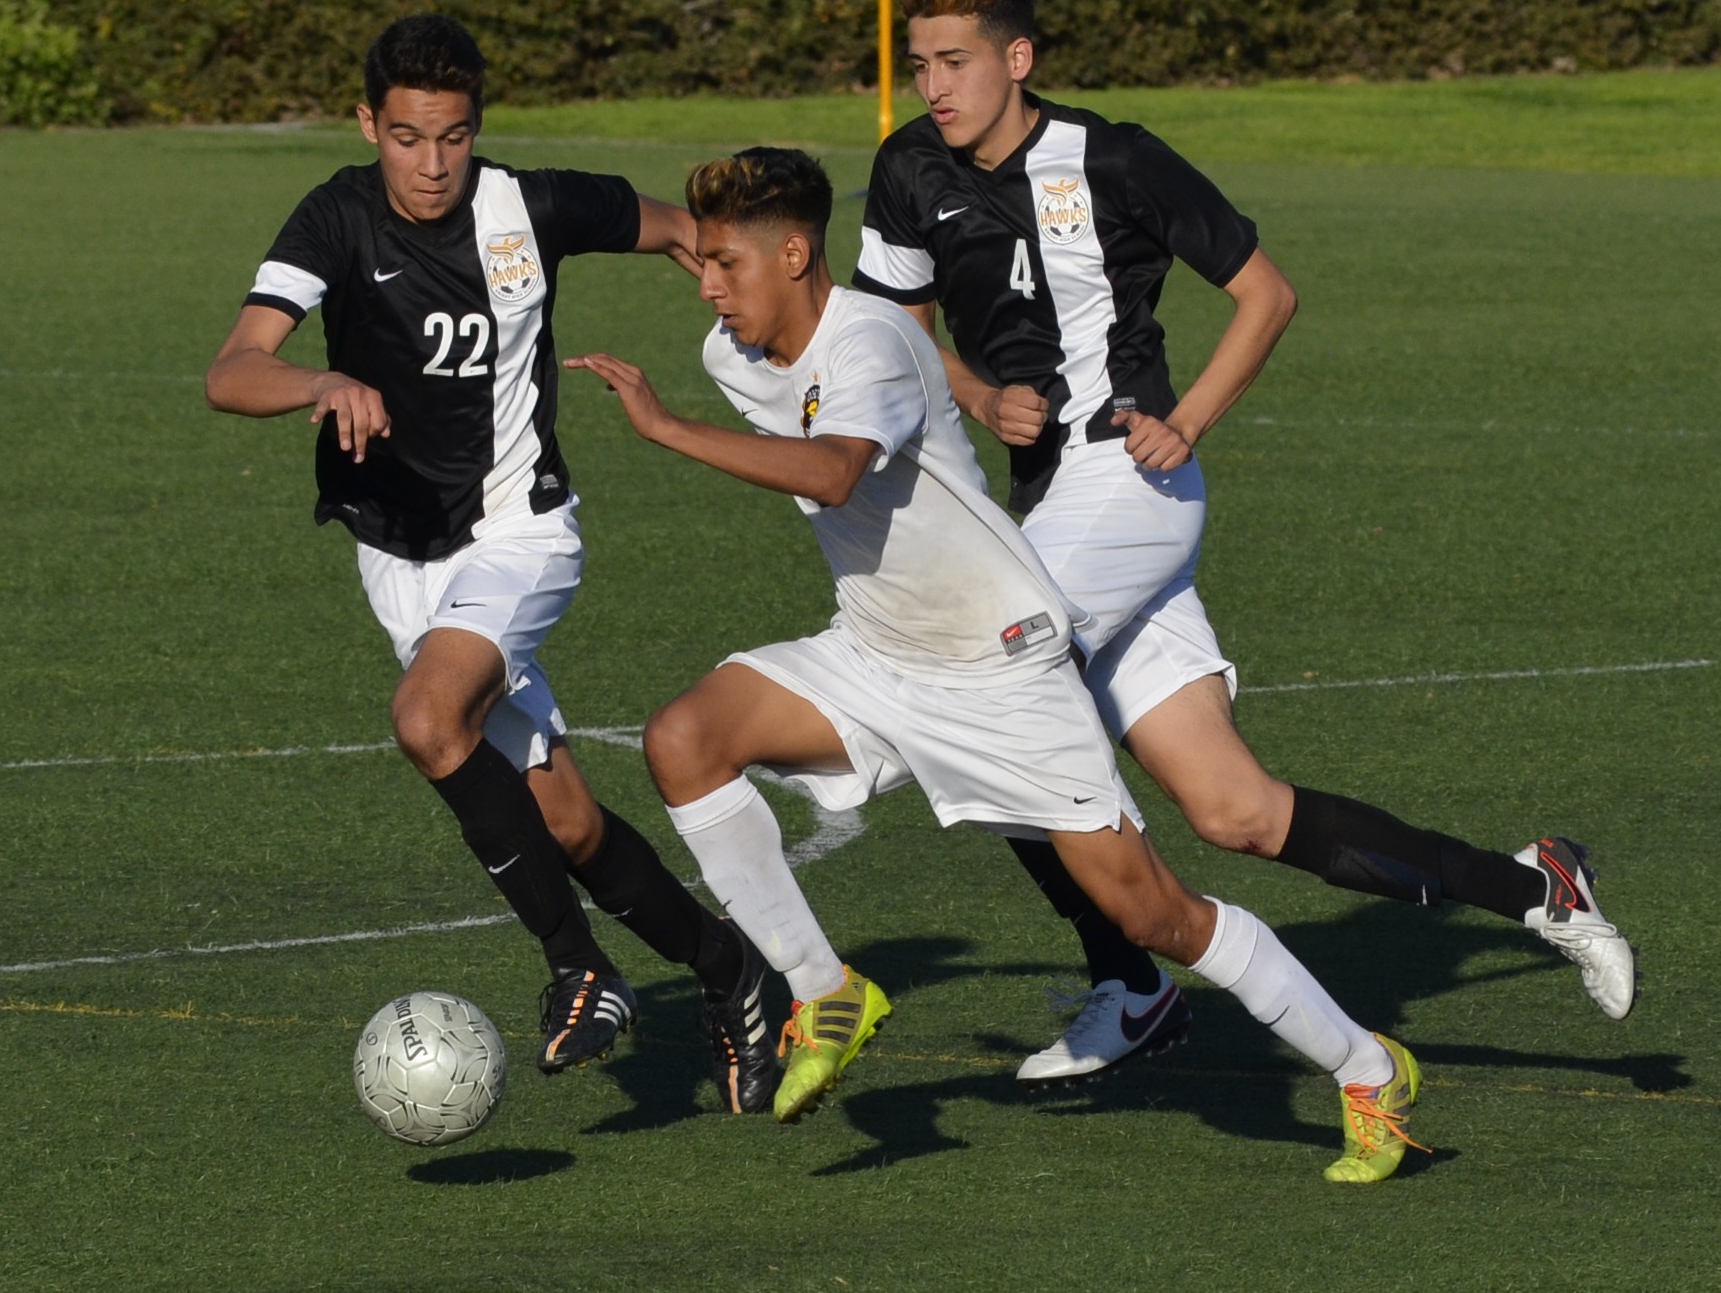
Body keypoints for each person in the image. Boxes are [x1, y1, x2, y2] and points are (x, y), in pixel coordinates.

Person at [850, 0, 1636, 1085]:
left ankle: (1131, 985)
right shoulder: (907, 168)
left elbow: (1266, 293)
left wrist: (1190, 420)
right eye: (918, 62)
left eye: (956, 61)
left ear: (1016, 58)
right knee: (1236, 812)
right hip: (1037, 509)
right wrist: (972, 392)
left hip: (1126, 485)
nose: (933, 84)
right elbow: (891, 328)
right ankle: (1536, 887)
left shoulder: (1110, 155)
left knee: (987, 699)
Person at [570, 145, 1428, 1183]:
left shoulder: (876, 343)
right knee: (684, 738)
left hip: (997, 666)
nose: (705, 287)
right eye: (700, 265)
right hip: (875, 649)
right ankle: (820, 988)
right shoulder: (730, 351)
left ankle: (1363, 1064)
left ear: (794, 254)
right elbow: (775, 371)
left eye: (723, 266)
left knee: (1151, 914)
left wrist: (665, 430)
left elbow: (834, 474)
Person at [204, 14, 778, 1111]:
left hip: (518, 532)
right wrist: (320, 386)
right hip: (398, 557)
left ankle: (581, 970)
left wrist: (755, 311)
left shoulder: (533, 205)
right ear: (368, 123)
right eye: (407, 138)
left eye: (454, 138)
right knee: (561, 820)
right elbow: (233, 369)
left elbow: (682, 234)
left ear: (478, 130)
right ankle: (732, 973)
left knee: (427, 720)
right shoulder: (334, 215)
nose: (430, 165)